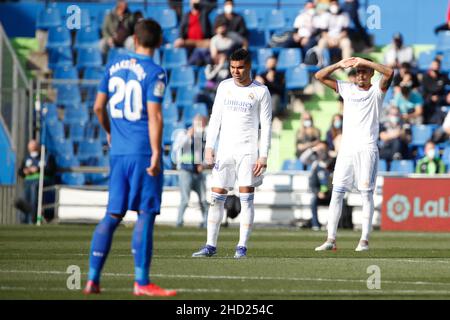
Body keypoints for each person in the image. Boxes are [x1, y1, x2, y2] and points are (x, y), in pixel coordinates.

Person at [83, 19, 176, 297]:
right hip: (142, 151)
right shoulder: (155, 72)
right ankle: (142, 282)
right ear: (159, 42)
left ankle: (91, 279)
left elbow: (98, 107)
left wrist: (110, 132)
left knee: (112, 215)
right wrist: (158, 152)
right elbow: (155, 115)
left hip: (119, 152)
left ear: (134, 39)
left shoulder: (112, 66)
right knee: (145, 214)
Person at [192, 48, 272, 259]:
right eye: (233, 67)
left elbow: (266, 126)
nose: (236, 71)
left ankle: (241, 247)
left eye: (240, 67)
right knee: (216, 198)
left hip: (248, 152)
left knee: (246, 199)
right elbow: (215, 118)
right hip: (225, 150)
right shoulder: (224, 87)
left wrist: (263, 155)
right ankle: (210, 245)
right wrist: (209, 147)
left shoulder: (261, 91)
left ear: (249, 67)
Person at [314, 56, 394, 251]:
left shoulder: (376, 91)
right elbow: (319, 75)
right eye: (358, 72)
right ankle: (330, 239)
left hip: (367, 148)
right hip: (347, 149)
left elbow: (390, 72)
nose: (360, 75)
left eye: (364, 71)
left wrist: (365, 61)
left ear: (371, 73)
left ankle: (364, 240)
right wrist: (339, 65)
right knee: (337, 193)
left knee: (366, 194)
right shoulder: (347, 88)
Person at [173, 115, 209, 228]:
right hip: (185, 170)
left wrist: (203, 165)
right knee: (185, 199)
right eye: (199, 123)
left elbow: (206, 153)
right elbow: (176, 147)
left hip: (198, 172)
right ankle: (179, 222)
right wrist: (189, 136)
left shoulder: (204, 137)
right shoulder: (183, 134)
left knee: (203, 199)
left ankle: (206, 222)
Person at [17, 140, 55, 224]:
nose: (32, 149)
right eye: (31, 147)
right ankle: (23, 220)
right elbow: (20, 172)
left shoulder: (47, 157)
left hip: (42, 181)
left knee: (34, 191)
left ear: (38, 147)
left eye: (34, 147)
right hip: (28, 182)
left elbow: (51, 170)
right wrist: (25, 171)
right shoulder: (27, 158)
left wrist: (38, 169)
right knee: (23, 197)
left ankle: (32, 219)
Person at [175, 0, 216, 65]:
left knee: (207, 46)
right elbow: (182, 28)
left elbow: (213, 6)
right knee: (178, 43)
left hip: (202, 41)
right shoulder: (187, 15)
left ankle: (189, 64)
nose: (195, 3)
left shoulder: (204, 14)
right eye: (193, 2)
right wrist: (180, 38)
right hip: (190, 42)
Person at [308, 141, 335, 231]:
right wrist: (318, 192)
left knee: (338, 200)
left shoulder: (335, 164)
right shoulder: (317, 167)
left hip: (333, 194)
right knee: (313, 200)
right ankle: (315, 224)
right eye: (320, 150)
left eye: (324, 150)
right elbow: (312, 184)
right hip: (321, 195)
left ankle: (332, 224)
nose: (322, 152)